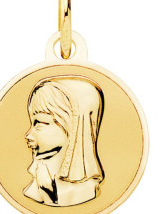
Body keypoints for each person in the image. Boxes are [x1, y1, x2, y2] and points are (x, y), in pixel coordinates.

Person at [23, 76, 104, 206]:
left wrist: (50, 198)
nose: (28, 135)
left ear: (73, 126)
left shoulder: (86, 191)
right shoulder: (39, 178)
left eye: (39, 124)